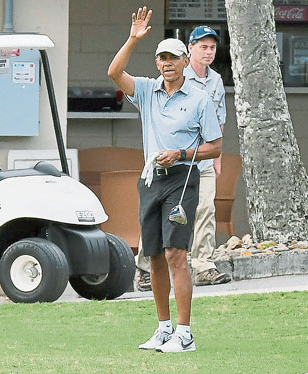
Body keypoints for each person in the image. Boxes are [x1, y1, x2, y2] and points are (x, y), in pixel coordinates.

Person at [108, 6, 222, 353]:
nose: (167, 63)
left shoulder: (200, 98)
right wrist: (133, 39)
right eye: (161, 58)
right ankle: (163, 329)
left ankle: (184, 334)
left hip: (182, 180)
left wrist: (181, 154)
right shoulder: (146, 90)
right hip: (151, 180)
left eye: (173, 57)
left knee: (175, 253)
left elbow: (216, 147)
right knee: (155, 254)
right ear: (157, 63)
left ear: (186, 62)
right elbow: (114, 72)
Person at [134, 25, 230, 291]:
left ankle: (203, 266)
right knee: (156, 216)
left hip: (203, 160)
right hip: (168, 167)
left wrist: (216, 158)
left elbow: (218, 122)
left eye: (212, 47)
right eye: (203, 47)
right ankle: (144, 267)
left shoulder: (216, 81)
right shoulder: (173, 73)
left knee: (205, 209)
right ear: (189, 51)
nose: (209, 52)